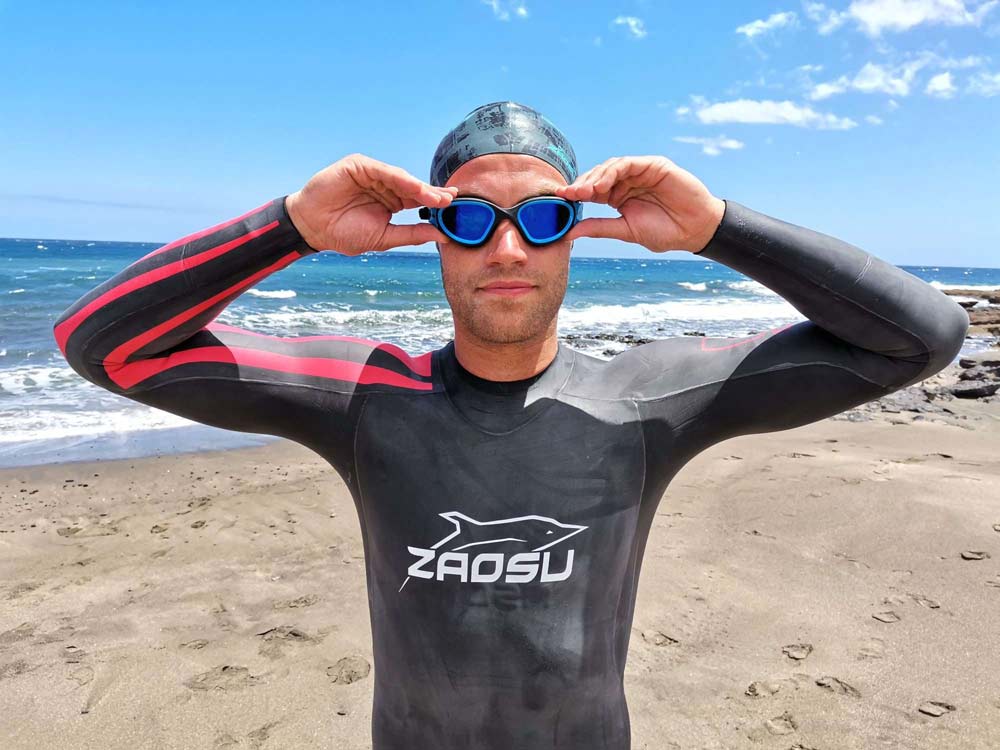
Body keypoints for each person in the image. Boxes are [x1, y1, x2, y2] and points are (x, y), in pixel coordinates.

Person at [53, 101, 969, 750]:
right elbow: (102, 347)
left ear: (575, 231)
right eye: (468, 219)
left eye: (542, 217)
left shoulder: (645, 397)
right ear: (433, 233)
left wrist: (716, 227)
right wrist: (290, 225)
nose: (506, 248)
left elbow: (923, 337)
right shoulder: (366, 394)